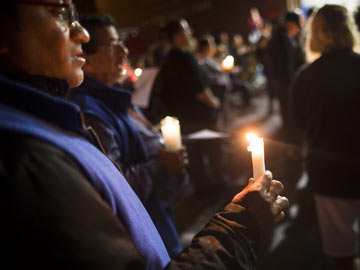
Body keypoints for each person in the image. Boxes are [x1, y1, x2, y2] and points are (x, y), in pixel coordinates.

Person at [0, 1, 289, 269]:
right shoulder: (28, 158)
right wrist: (241, 224)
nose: (82, 34)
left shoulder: (56, 122)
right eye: (60, 10)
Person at [69, 13, 188, 258]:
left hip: (157, 216)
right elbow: (117, 184)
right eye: (113, 45)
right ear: (86, 59)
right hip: (140, 234)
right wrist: (161, 164)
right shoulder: (90, 112)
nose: (124, 51)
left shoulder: (114, 97)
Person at [291, 5, 360, 270]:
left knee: (341, 251)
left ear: (315, 34)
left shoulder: (305, 77)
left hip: (330, 174)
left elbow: (299, 126)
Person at [148, 18, 220, 133]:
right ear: (177, 35)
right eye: (186, 29)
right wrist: (214, 103)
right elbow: (200, 91)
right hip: (198, 118)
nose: (190, 32)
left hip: (181, 120)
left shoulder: (167, 60)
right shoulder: (185, 58)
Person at [267, 10, 305, 140]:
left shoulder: (282, 36)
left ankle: (290, 138)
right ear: (290, 24)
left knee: (288, 113)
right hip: (286, 83)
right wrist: (292, 86)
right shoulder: (282, 38)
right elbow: (286, 64)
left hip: (284, 82)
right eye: (296, 25)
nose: (298, 29)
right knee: (289, 114)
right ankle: (291, 142)